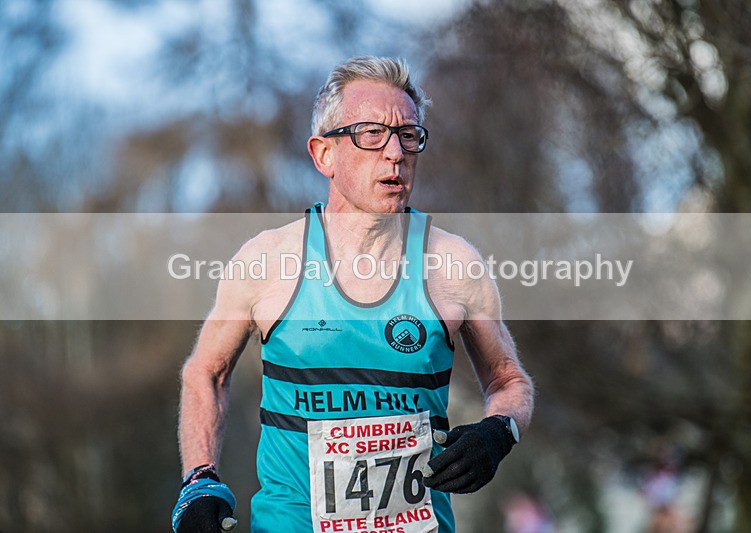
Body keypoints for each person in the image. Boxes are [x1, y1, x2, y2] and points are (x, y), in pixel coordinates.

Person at [172, 56, 534, 533]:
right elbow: (207, 372)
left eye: (409, 135)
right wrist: (200, 479)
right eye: (370, 134)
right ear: (324, 154)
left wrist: (497, 432)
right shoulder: (267, 259)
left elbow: (509, 381)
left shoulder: (454, 264)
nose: (395, 153)